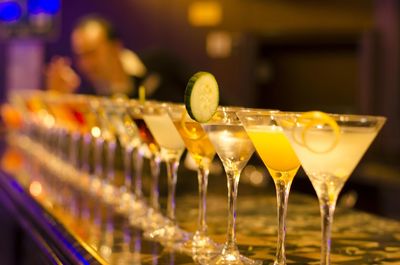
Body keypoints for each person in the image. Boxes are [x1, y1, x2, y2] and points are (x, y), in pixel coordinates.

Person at [46, 15, 187, 101]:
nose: (86, 63)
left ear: (115, 47)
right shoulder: (89, 95)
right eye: (80, 56)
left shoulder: (161, 63)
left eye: (92, 53)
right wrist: (59, 98)